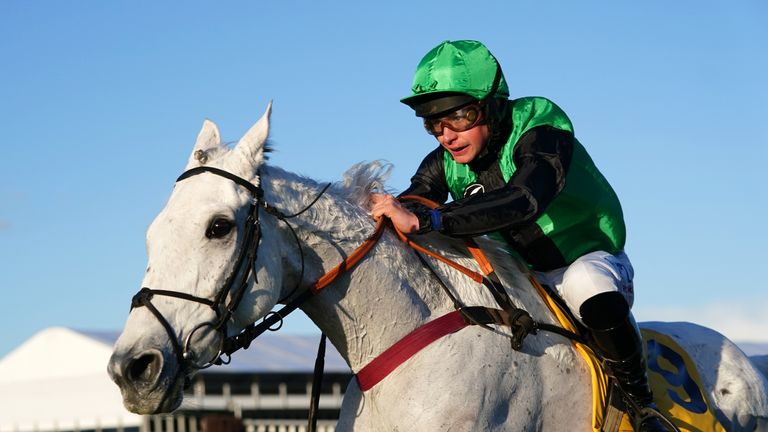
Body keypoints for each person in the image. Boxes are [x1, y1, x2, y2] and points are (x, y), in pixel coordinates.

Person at [370, 40, 667, 431]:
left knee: (586, 285)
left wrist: (431, 221)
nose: (446, 135)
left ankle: (643, 406)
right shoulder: (444, 161)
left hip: (586, 256)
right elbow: (416, 202)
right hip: (520, 272)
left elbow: (525, 198)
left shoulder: (540, 126)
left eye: (459, 116)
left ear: (492, 105)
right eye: (433, 123)